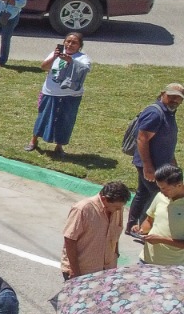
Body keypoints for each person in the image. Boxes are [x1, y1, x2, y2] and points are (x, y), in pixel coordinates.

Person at [129, 84, 183, 233]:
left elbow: (165, 141)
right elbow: (142, 138)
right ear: (162, 94)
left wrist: (172, 162)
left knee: (143, 193)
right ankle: (142, 229)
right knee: (156, 194)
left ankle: (131, 226)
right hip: (151, 164)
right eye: (171, 96)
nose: (175, 100)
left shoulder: (168, 113)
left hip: (160, 164)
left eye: (178, 98)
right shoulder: (155, 113)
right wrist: (148, 166)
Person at [29, 33, 91, 154]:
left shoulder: (83, 58)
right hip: (50, 92)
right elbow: (44, 67)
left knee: (65, 121)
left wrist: (70, 61)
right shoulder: (55, 54)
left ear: (80, 46)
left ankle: (59, 146)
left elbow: (85, 69)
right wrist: (55, 57)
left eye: (74, 43)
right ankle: (33, 141)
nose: (70, 45)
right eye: (68, 41)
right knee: (43, 117)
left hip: (71, 96)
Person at [63, 181, 131, 279]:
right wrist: (75, 272)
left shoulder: (118, 210)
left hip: (106, 271)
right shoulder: (83, 209)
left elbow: (115, 235)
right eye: (116, 207)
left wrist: (115, 256)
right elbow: (69, 240)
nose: (119, 210)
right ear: (104, 199)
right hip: (82, 271)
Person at [134, 165, 184, 266]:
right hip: (146, 260)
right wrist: (142, 230)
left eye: (165, 188)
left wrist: (161, 240)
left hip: (173, 265)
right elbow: (149, 220)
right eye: (159, 188)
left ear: (179, 185)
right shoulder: (160, 196)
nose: (161, 192)